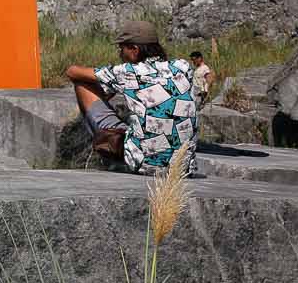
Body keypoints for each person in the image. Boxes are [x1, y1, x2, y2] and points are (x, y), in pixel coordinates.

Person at [65, 20, 200, 176]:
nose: (120, 54)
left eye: (122, 48)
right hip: (183, 167)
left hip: (144, 165)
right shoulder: (182, 67)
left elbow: (72, 71)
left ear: (134, 49)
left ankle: (104, 151)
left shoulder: (127, 72)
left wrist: (107, 88)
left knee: (82, 84)